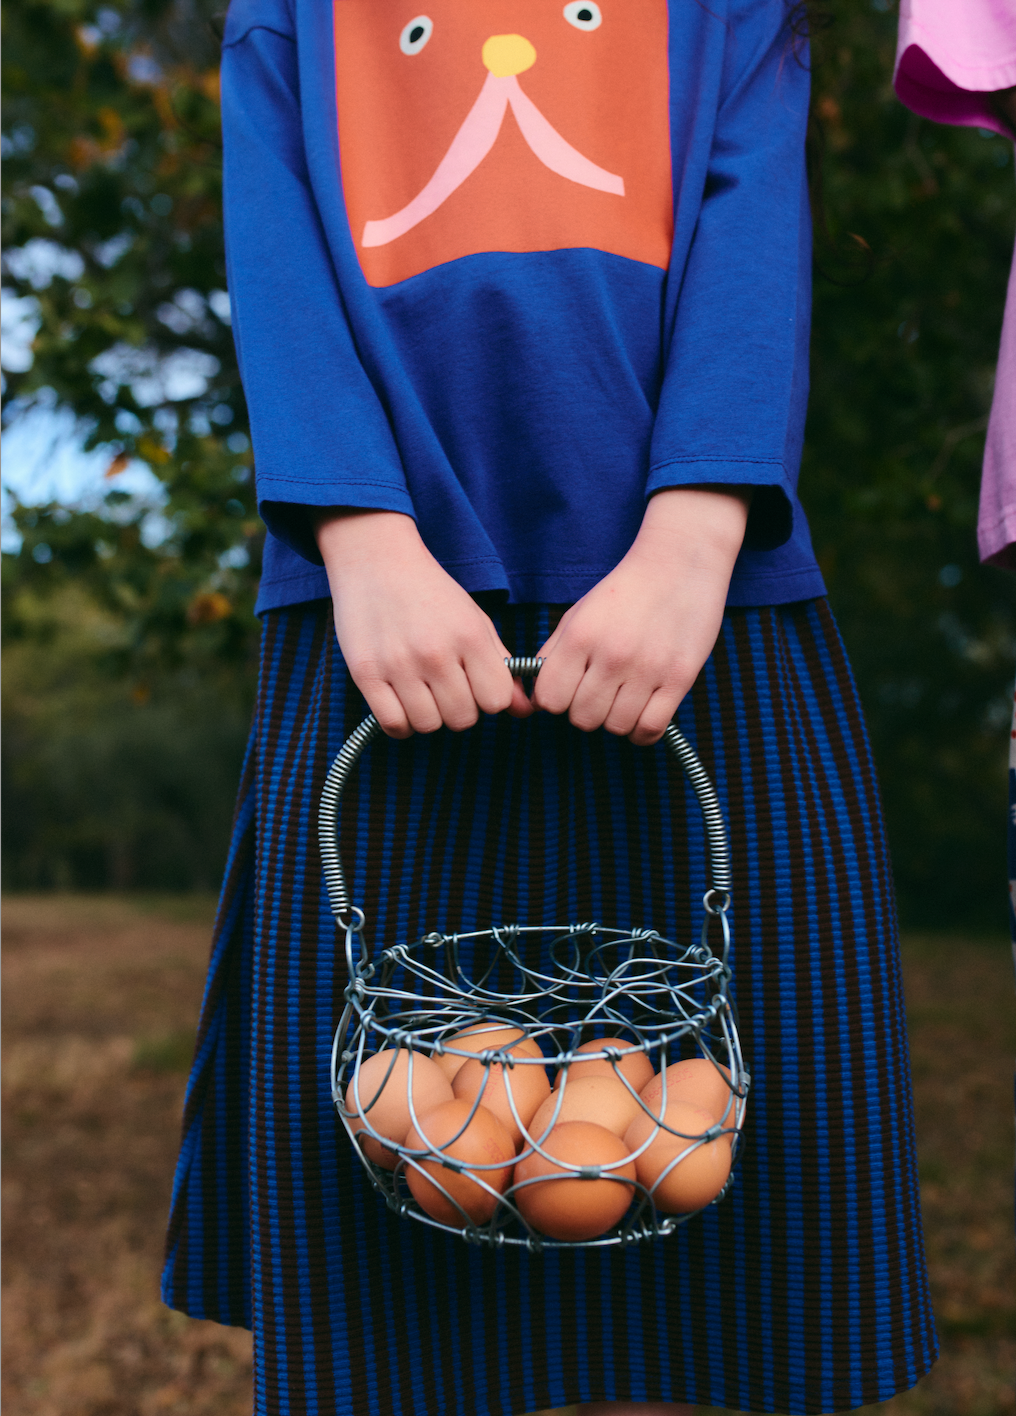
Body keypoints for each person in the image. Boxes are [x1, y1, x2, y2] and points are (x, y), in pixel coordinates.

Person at [162, 1, 937, 1412]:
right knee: (389, 1273)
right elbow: (272, 240)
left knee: (768, 1263)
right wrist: (360, 535)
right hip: (387, 617)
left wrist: (697, 535)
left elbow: (751, 216)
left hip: (700, 610)